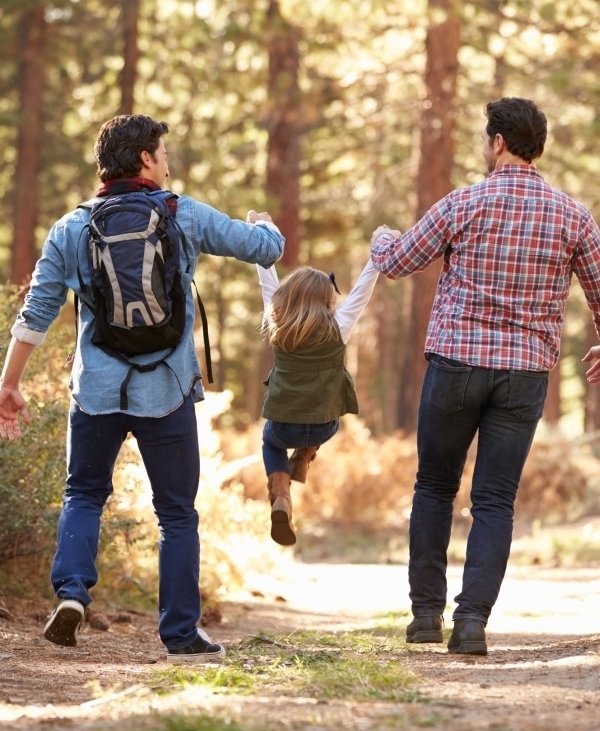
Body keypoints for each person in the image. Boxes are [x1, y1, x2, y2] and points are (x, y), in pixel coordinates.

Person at [0, 114, 284, 662]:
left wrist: (10, 382)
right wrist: (269, 228)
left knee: (84, 494)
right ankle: (181, 633)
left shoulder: (71, 227)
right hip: (168, 392)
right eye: (164, 152)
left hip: (96, 393)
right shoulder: (182, 214)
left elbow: (36, 314)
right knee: (176, 513)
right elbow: (263, 249)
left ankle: (73, 594)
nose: (168, 162)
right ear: (147, 160)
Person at [370, 96, 600, 655]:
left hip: (457, 364)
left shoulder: (463, 204)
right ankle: (471, 623)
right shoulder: (573, 215)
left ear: (497, 143)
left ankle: (426, 616)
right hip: (523, 375)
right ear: (536, 147)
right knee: (495, 501)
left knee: (435, 487)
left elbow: (397, 261)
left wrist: (379, 238)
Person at [257, 258, 379, 546]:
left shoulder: (277, 321)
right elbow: (362, 290)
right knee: (324, 409)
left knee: (270, 441)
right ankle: (302, 458)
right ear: (326, 297)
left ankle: (281, 495)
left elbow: (266, 280)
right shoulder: (339, 325)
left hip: (284, 427)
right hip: (325, 427)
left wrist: (262, 231)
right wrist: (376, 255)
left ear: (289, 294)